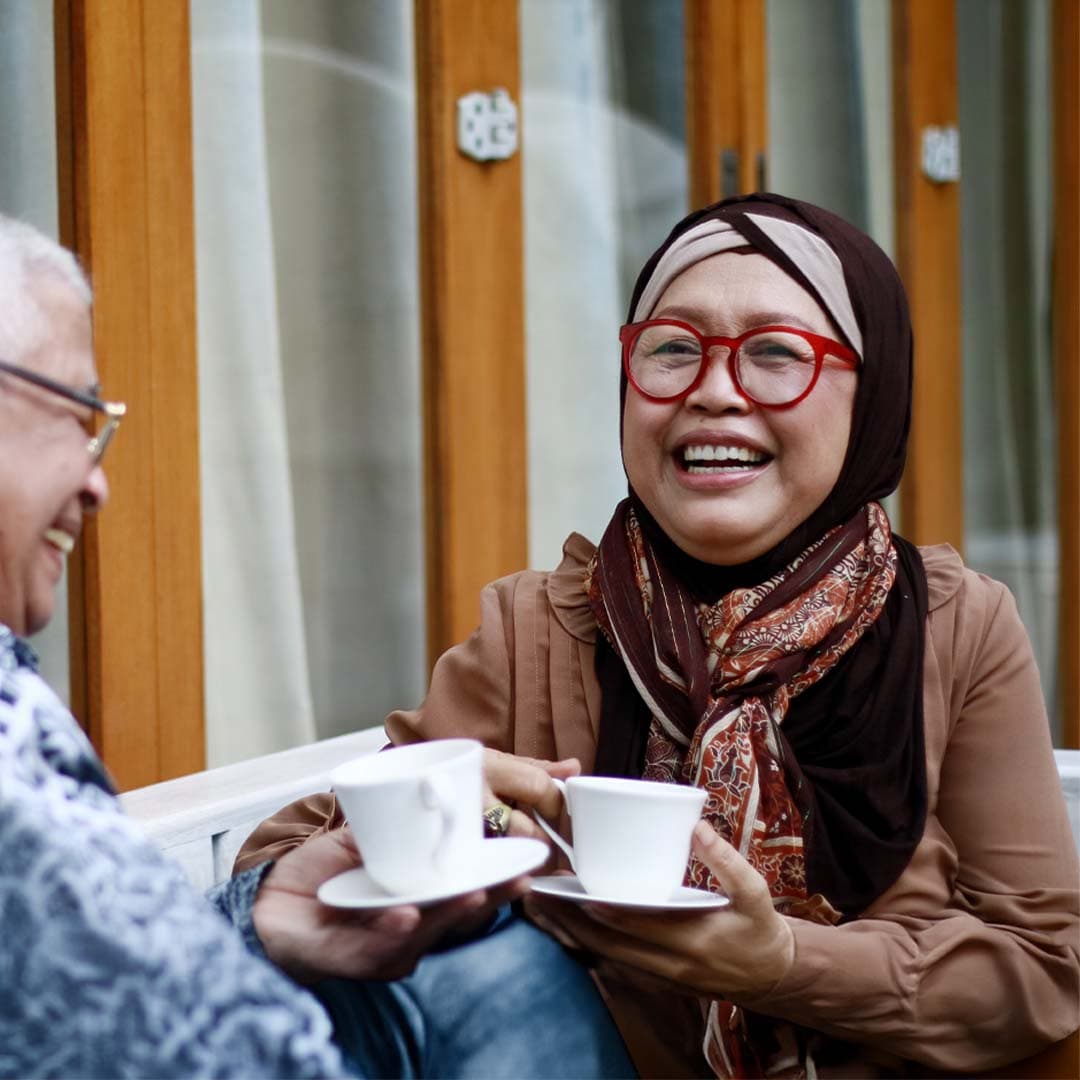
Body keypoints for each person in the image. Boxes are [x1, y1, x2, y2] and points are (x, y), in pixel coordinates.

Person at [237, 193, 1080, 1078]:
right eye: (672, 349)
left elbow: (1044, 968)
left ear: (873, 397)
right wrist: (445, 812)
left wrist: (784, 964)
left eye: (775, 355)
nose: (715, 391)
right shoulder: (538, 628)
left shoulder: (955, 625)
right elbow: (278, 873)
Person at [0, 214, 633, 1079]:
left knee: (503, 970)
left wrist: (257, 921)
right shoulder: (532, 620)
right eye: (79, 416)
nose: (99, 480)